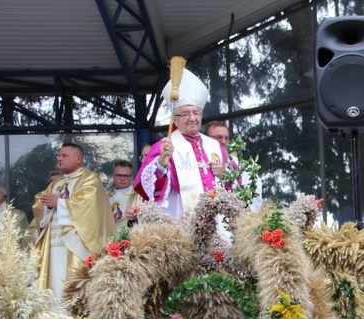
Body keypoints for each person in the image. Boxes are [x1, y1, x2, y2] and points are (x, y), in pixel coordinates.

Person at [133, 69, 235, 218]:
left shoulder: (214, 146)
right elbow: (147, 186)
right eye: (185, 114)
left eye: (196, 112)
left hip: (216, 219)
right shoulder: (164, 145)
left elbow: (236, 181)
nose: (192, 118)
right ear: (175, 119)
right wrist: (162, 163)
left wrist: (225, 174)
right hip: (180, 215)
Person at [32, 143, 116, 300]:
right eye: (59, 155)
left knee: (71, 285)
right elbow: (40, 203)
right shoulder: (55, 184)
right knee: (53, 283)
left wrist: (60, 204)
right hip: (54, 242)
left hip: (76, 243)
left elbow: (89, 205)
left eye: (64, 156)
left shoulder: (89, 178)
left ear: (79, 159)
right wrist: (46, 204)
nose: (59, 158)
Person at [203, 121, 263, 211]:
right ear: (205, 138)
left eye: (226, 138)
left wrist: (227, 177)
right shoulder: (197, 160)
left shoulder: (243, 167)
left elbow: (252, 202)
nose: (223, 141)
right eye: (218, 137)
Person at [107, 160, 142, 232]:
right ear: (113, 176)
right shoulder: (106, 196)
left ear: (131, 177)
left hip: (127, 237)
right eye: (119, 175)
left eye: (126, 176)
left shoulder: (138, 195)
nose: (122, 179)